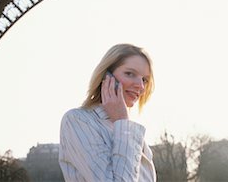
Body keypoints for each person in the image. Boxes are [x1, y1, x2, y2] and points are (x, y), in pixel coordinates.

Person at [59, 43, 156, 181]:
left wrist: (123, 123)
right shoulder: (77, 121)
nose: (140, 86)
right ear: (106, 76)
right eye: (130, 74)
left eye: (144, 80)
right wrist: (122, 122)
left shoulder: (136, 136)